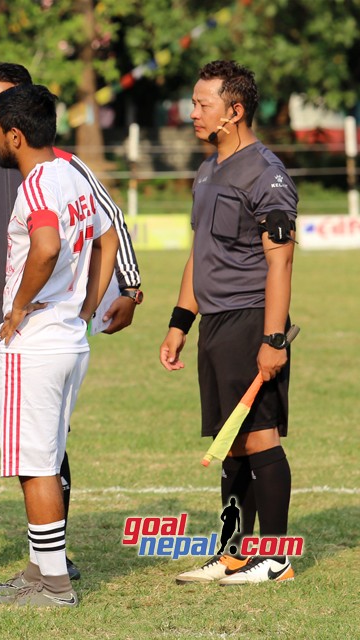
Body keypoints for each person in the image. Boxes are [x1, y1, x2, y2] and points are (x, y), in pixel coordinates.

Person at [0, 61, 142, 582]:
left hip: (37, 333)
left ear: (25, 110)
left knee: (47, 448)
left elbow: (113, 226)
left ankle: (50, 559)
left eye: (2, 103)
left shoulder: (62, 168)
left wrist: (128, 289)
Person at [160, 60, 297, 586]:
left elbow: (280, 261)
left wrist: (273, 338)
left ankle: (277, 557)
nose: (192, 113)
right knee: (231, 442)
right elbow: (201, 252)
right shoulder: (207, 169)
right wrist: (179, 323)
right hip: (214, 324)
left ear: (234, 111)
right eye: (193, 103)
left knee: (259, 437)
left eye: (203, 104)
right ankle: (234, 552)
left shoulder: (267, 172)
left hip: (250, 321)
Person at [0, 83, 119, 608]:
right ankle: (39, 569)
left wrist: (18, 307)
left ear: (15, 135)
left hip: (37, 344)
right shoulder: (73, 174)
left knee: (36, 465)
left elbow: (44, 245)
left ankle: (55, 587)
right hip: (69, 339)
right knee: (46, 456)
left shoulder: (38, 185)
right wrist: (86, 306)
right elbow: (109, 235)